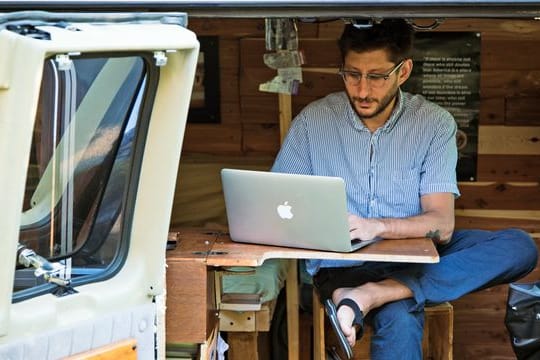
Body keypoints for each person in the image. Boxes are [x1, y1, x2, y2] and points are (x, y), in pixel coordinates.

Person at [271, 19, 538, 360]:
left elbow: (442, 227)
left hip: (416, 256)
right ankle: (379, 293)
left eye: (377, 76)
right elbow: (279, 206)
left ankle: (372, 294)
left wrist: (378, 226)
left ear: (404, 70)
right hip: (343, 264)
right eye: (352, 74)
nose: (363, 90)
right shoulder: (313, 121)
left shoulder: (433, 122)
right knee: (399, 315)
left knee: (520, 247)